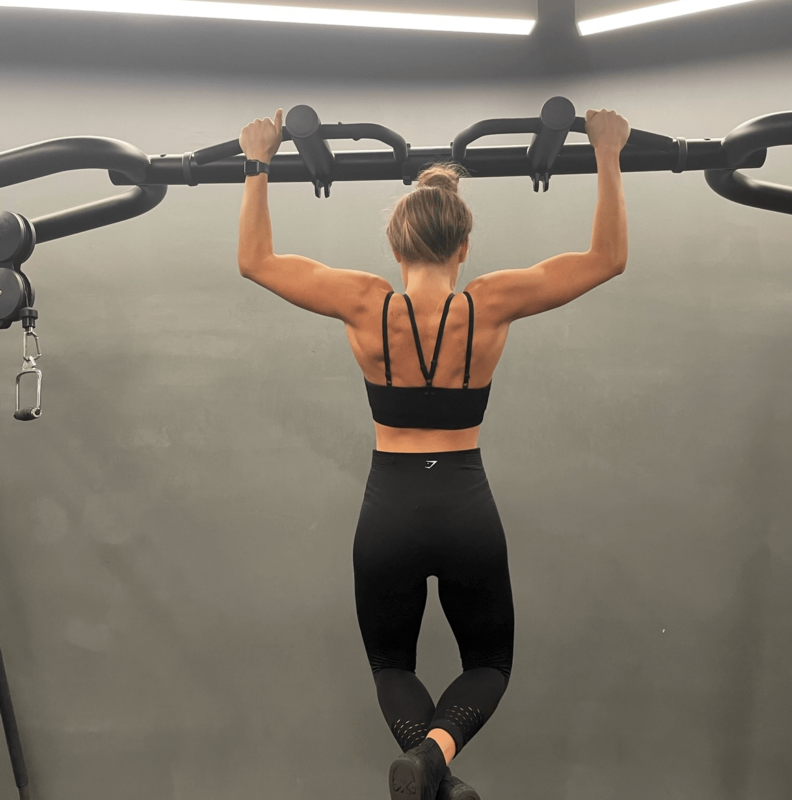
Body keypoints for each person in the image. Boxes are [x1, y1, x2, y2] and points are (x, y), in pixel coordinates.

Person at [238, 106, 631, 800]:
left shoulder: (363, 302)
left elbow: (255, 262)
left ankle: (430, 769)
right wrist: (606, 152)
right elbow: (608, 260)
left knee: (392, 662)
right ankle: (436, 765)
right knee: (489, 662)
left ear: (396, 249)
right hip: (463, 500)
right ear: (462, 249)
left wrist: (259, 163)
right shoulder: (492, 301)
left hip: (389, 504)